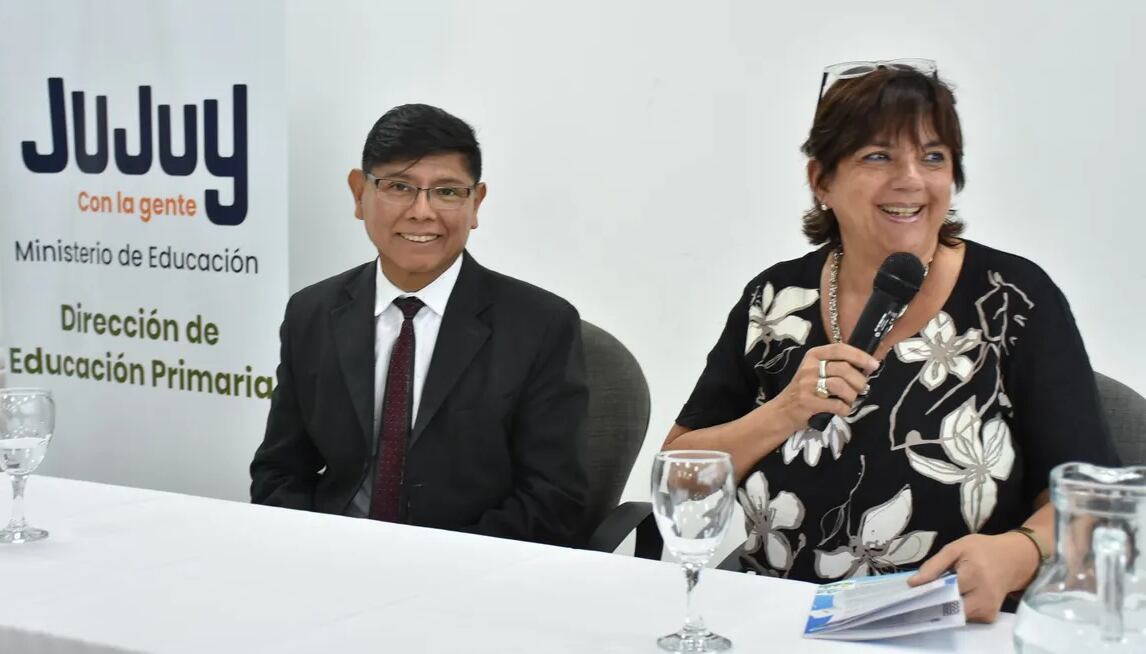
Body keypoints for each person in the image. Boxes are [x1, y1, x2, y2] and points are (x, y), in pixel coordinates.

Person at [665, 60, 1120, 621]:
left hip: (955, 620)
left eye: (933, 157)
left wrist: (1019, 553)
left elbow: (1092, 500)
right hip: (781, 618)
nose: (910, 179)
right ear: (821, 180)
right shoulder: (775, 300)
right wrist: (784, 411)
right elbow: (679, 480)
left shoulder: (1013, 298)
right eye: (877, 156)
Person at [251, 103, 589, 546]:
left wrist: (433, 567)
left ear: (476, 204)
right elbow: (279, 473)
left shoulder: (541, 325)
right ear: (359, 194)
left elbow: (554, 500)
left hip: (473, 571)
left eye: (447, 192)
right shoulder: (311, 312)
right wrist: (316, 550)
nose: (421, 212)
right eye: (398, 187)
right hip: (333, 559)